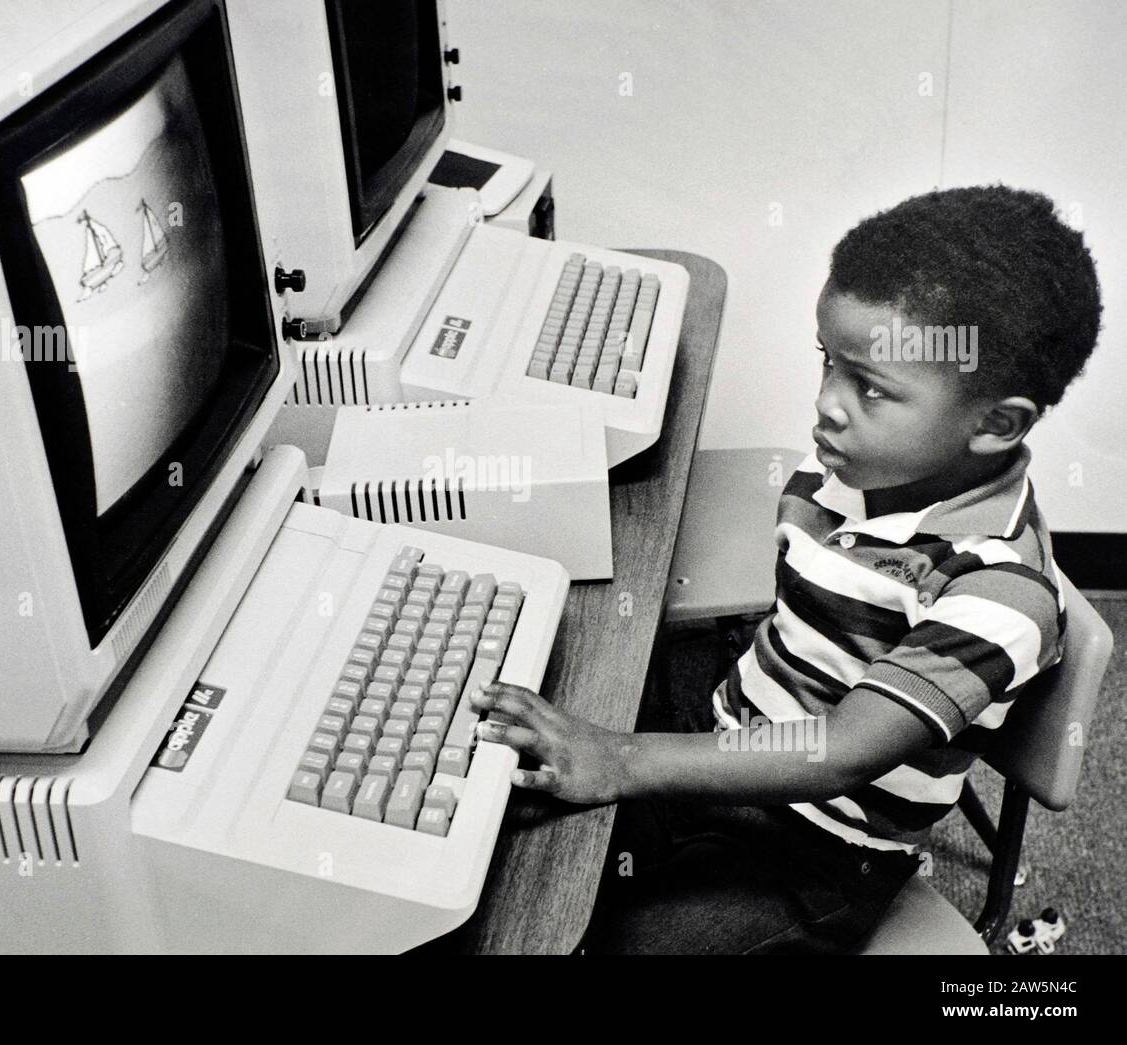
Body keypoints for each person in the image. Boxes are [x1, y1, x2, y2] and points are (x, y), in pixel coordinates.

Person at [471, 185, 1103, 953]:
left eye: (870, 386)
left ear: (997, 424)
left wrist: (622, 756)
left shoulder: (999, 594)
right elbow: (799, 572)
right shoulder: (862, 465)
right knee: (513, 847)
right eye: (829, 361)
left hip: (824, 854)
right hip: (729, 742)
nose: (827, 405)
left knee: (622, 941)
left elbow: (835, 752)